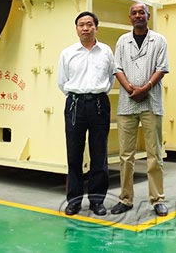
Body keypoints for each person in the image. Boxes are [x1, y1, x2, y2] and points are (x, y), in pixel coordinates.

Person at [111, 2, 170, 217]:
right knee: (126, 155)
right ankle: (125, 199)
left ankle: (158, 199)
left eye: (141, 12)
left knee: (155, 153)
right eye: (134, 13)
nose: (138, 16)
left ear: (148, 16)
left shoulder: (159, 40)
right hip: (127, 104)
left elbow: (162, 68)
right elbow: (117, 67)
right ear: (130, 18)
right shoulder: (122, 41)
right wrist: (130, 89)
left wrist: (145, 88)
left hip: (151, 103)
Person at [57, 11, 115, 216]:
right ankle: (74, 201)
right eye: (81, 25)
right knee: (74, 154)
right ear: (76, 29)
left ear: (96, 28)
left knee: (99, 154)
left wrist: (96, 93)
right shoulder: (68, 53)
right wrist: (78, 96)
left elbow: (110, 78)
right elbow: (62, 82)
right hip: (75, 105)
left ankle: (97, 201)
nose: (85, 28)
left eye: (89, 24)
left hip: (99, 104)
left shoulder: (106, 51)